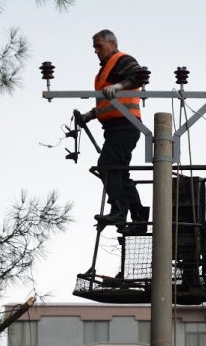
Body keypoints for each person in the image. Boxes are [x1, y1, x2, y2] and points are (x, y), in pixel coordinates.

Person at [80, 29, 149, 235]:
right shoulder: (104, 71)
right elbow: (107, 101)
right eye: (94, 47)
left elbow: (138, 77)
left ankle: (119, 210)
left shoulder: (122, 60)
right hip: (115, 128)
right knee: (119, 172)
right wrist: (90, 115)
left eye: (99, 46)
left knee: (107, 166)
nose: (96, 51)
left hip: (125, 125)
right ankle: (138, 219)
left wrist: (119, 86)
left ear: (112, 43)